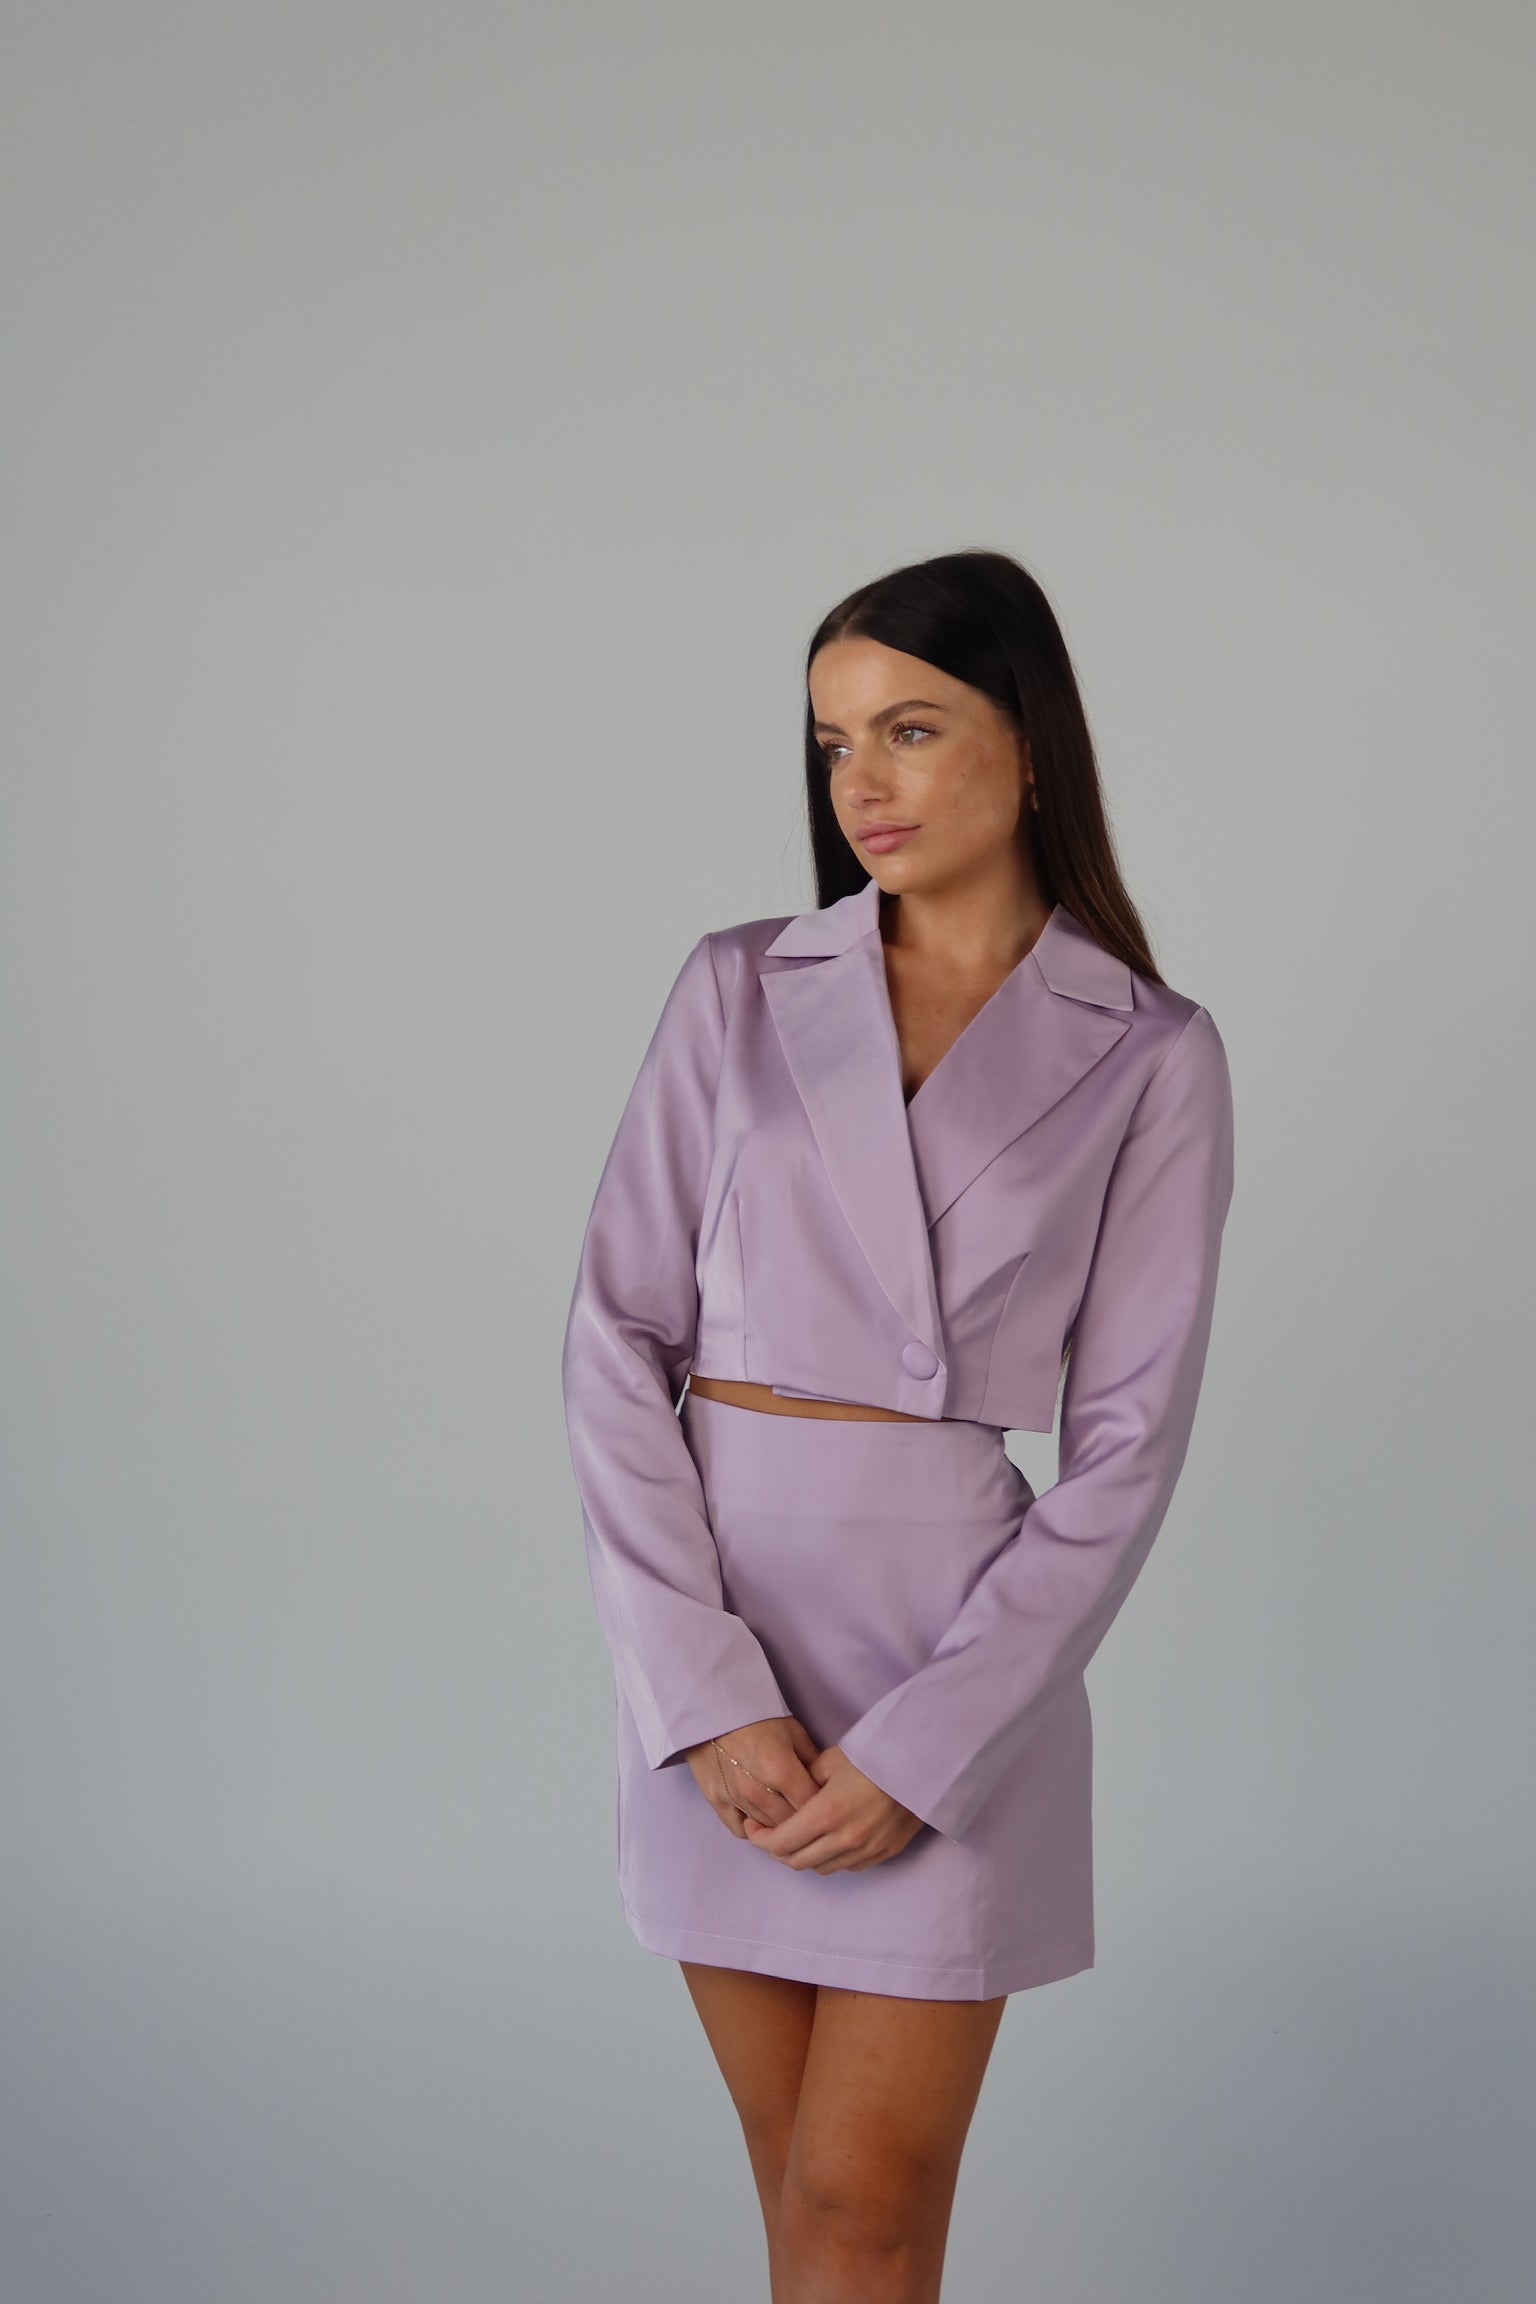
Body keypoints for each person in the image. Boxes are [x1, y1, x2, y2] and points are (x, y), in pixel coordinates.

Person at [560, 547, 1236, 2303]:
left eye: (911, 729)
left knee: (866, 2197)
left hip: (953, 1648)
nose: (860, 781)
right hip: (721, 1625)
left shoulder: (1150, 1050)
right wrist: (701, 1692)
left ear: (1032, 744)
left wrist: (928, 1747)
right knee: (803, 2193)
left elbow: (1128, 1449)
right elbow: (613, 1337)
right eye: (832, 741)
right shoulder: (738, 985)